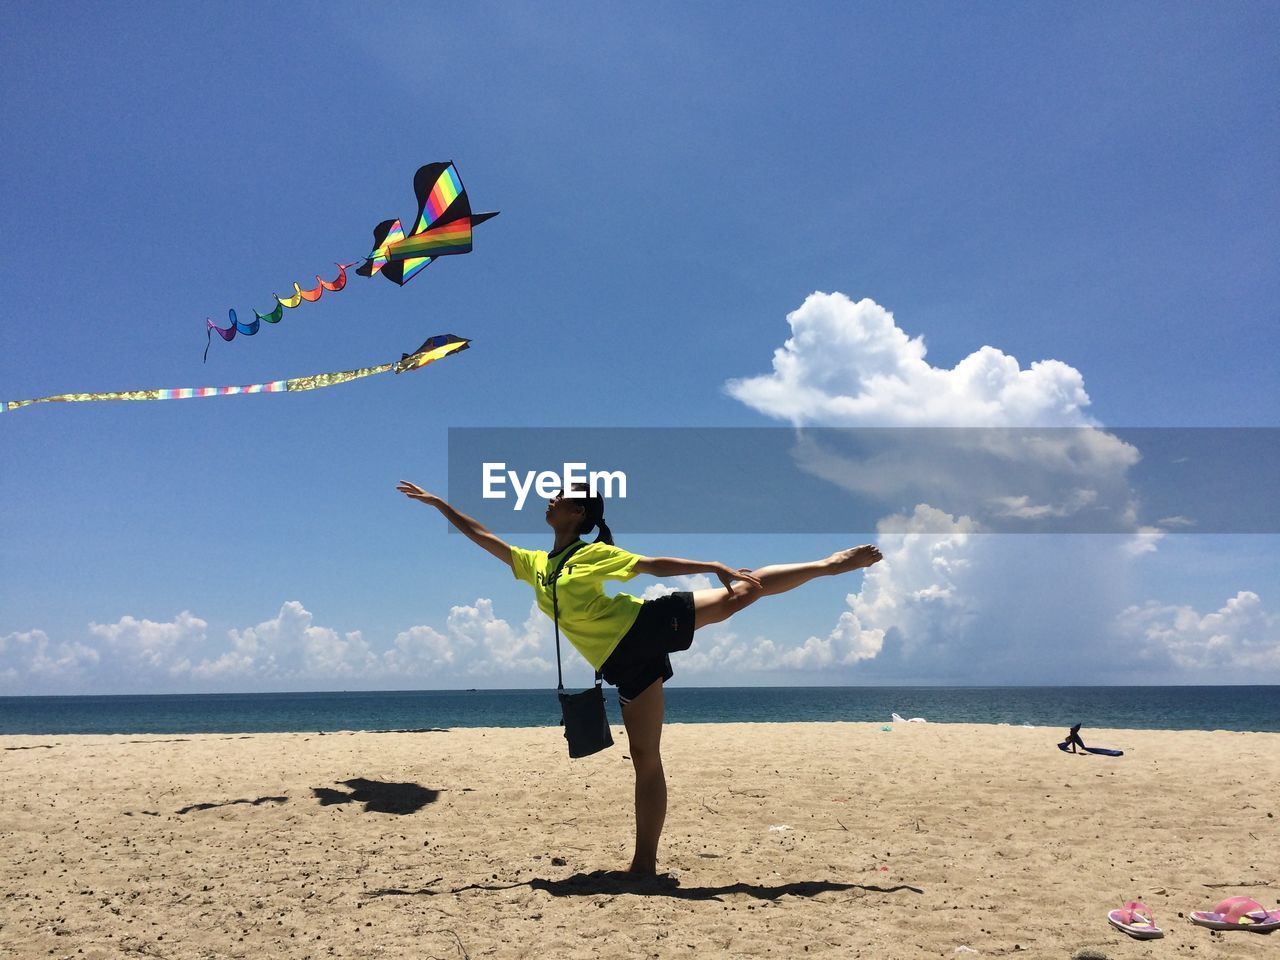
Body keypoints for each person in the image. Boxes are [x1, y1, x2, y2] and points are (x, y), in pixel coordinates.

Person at [396, 479, 883, 876]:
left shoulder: (592, 555)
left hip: (645, 625)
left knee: (740, 596)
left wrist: (711, 565)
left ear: (579, 514)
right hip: (623, 664)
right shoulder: (537, 566)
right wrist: (440, 504)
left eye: (562, 495)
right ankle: (644, 865)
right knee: (645, 758)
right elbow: (484, 536)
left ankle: (829, 565)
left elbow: (651, 566)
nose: (552, 497)